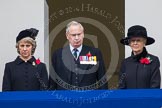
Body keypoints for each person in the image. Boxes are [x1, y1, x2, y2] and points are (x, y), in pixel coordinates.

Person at [49, 21, 108, 90]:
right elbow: (52, 82)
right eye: (73, 35)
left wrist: (103, 99)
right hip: (64, 98)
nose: (77, 38)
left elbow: (102, 80)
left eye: (79, 34)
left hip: (89, 98)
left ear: (83, 34)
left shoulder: (94, 53)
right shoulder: (58, 55)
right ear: (67, 36)